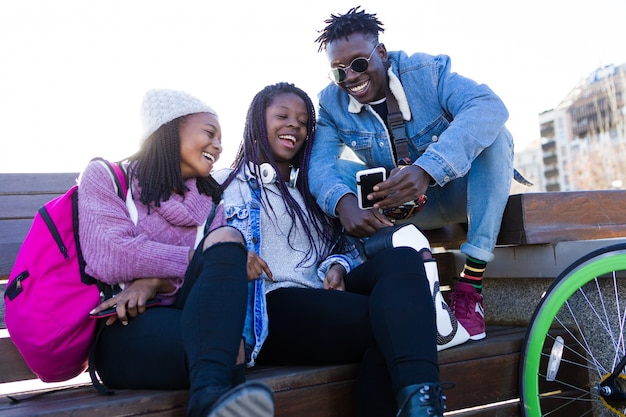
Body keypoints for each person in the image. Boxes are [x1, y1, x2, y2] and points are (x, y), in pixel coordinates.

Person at [215, 82, 445, 417]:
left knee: (402, 259)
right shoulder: (225, 186)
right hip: (272, 308)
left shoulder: (310, 192)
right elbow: (202, 249)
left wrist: (337, 265)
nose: (295, 125)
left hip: (323, 299)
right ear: (256, 121)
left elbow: (344, 250)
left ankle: (422, 405)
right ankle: (422, 405)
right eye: (283, 115)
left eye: (304, 121)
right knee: (392, 323)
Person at [310, 6, 525, 341]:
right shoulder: (330, 103)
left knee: (497, 136)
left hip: (456, 195)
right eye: (338, 72)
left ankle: (470, 287)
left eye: (358, 64)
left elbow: (489, 106)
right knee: (332, 172)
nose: (350, 77)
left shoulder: (427, 72)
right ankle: (362, 273)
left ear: (380, 53)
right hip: (397, 210)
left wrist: (427, 169)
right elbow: (321, 165)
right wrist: (343, 204)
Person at [78, 88, 274, 417]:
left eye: (221, 139)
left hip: (194, 326)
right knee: (225, 345)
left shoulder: (213, 205)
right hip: (123, 329)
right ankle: (211, 398)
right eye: (209, 133)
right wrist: (197, 258)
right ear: (170, 128)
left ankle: (207, 399)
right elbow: (111, 254)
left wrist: (156, 281)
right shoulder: (108, 177)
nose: (218, 146)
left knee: (227, 240)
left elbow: (214, 281)